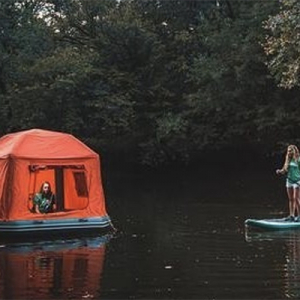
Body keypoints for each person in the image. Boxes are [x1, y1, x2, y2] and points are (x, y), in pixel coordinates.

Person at [276, 144, 300, 221]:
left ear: (295, 151)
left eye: (291, 150)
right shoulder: (288, 160)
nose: (289, 152)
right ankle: (292, 216)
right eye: (288, 151)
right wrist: (280, 171)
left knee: (296, 198)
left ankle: (299, 216)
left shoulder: (298, 159)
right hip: (289, 181)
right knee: (291, 199)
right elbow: (284, 170)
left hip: (297, 181)